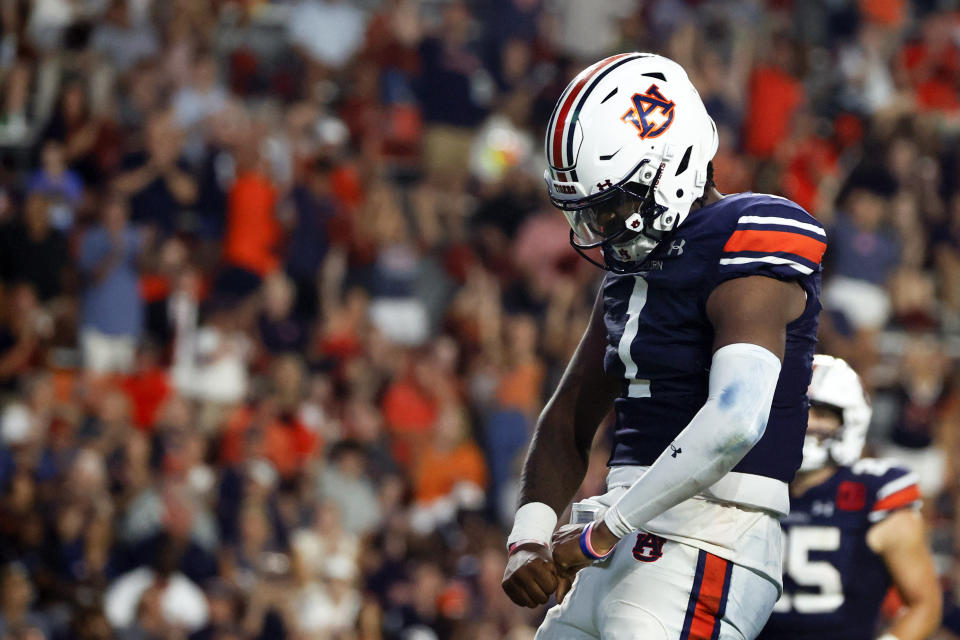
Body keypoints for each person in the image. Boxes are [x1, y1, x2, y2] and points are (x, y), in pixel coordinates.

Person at [501, 52, 827, 639]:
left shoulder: (749, 235)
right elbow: (569, 420)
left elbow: (735, 420)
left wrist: (604, 531)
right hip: (616, 535)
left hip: (711, 533)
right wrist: (528, 537)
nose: (599, 227)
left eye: (611, 205)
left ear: (669, 166)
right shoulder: (628, 277)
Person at [758, 355, 941, 640]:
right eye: (796, 409)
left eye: (822, 412)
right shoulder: (748, 482)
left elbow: (924, 605)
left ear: (850, 420)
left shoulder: (874, 495)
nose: (807, 422)